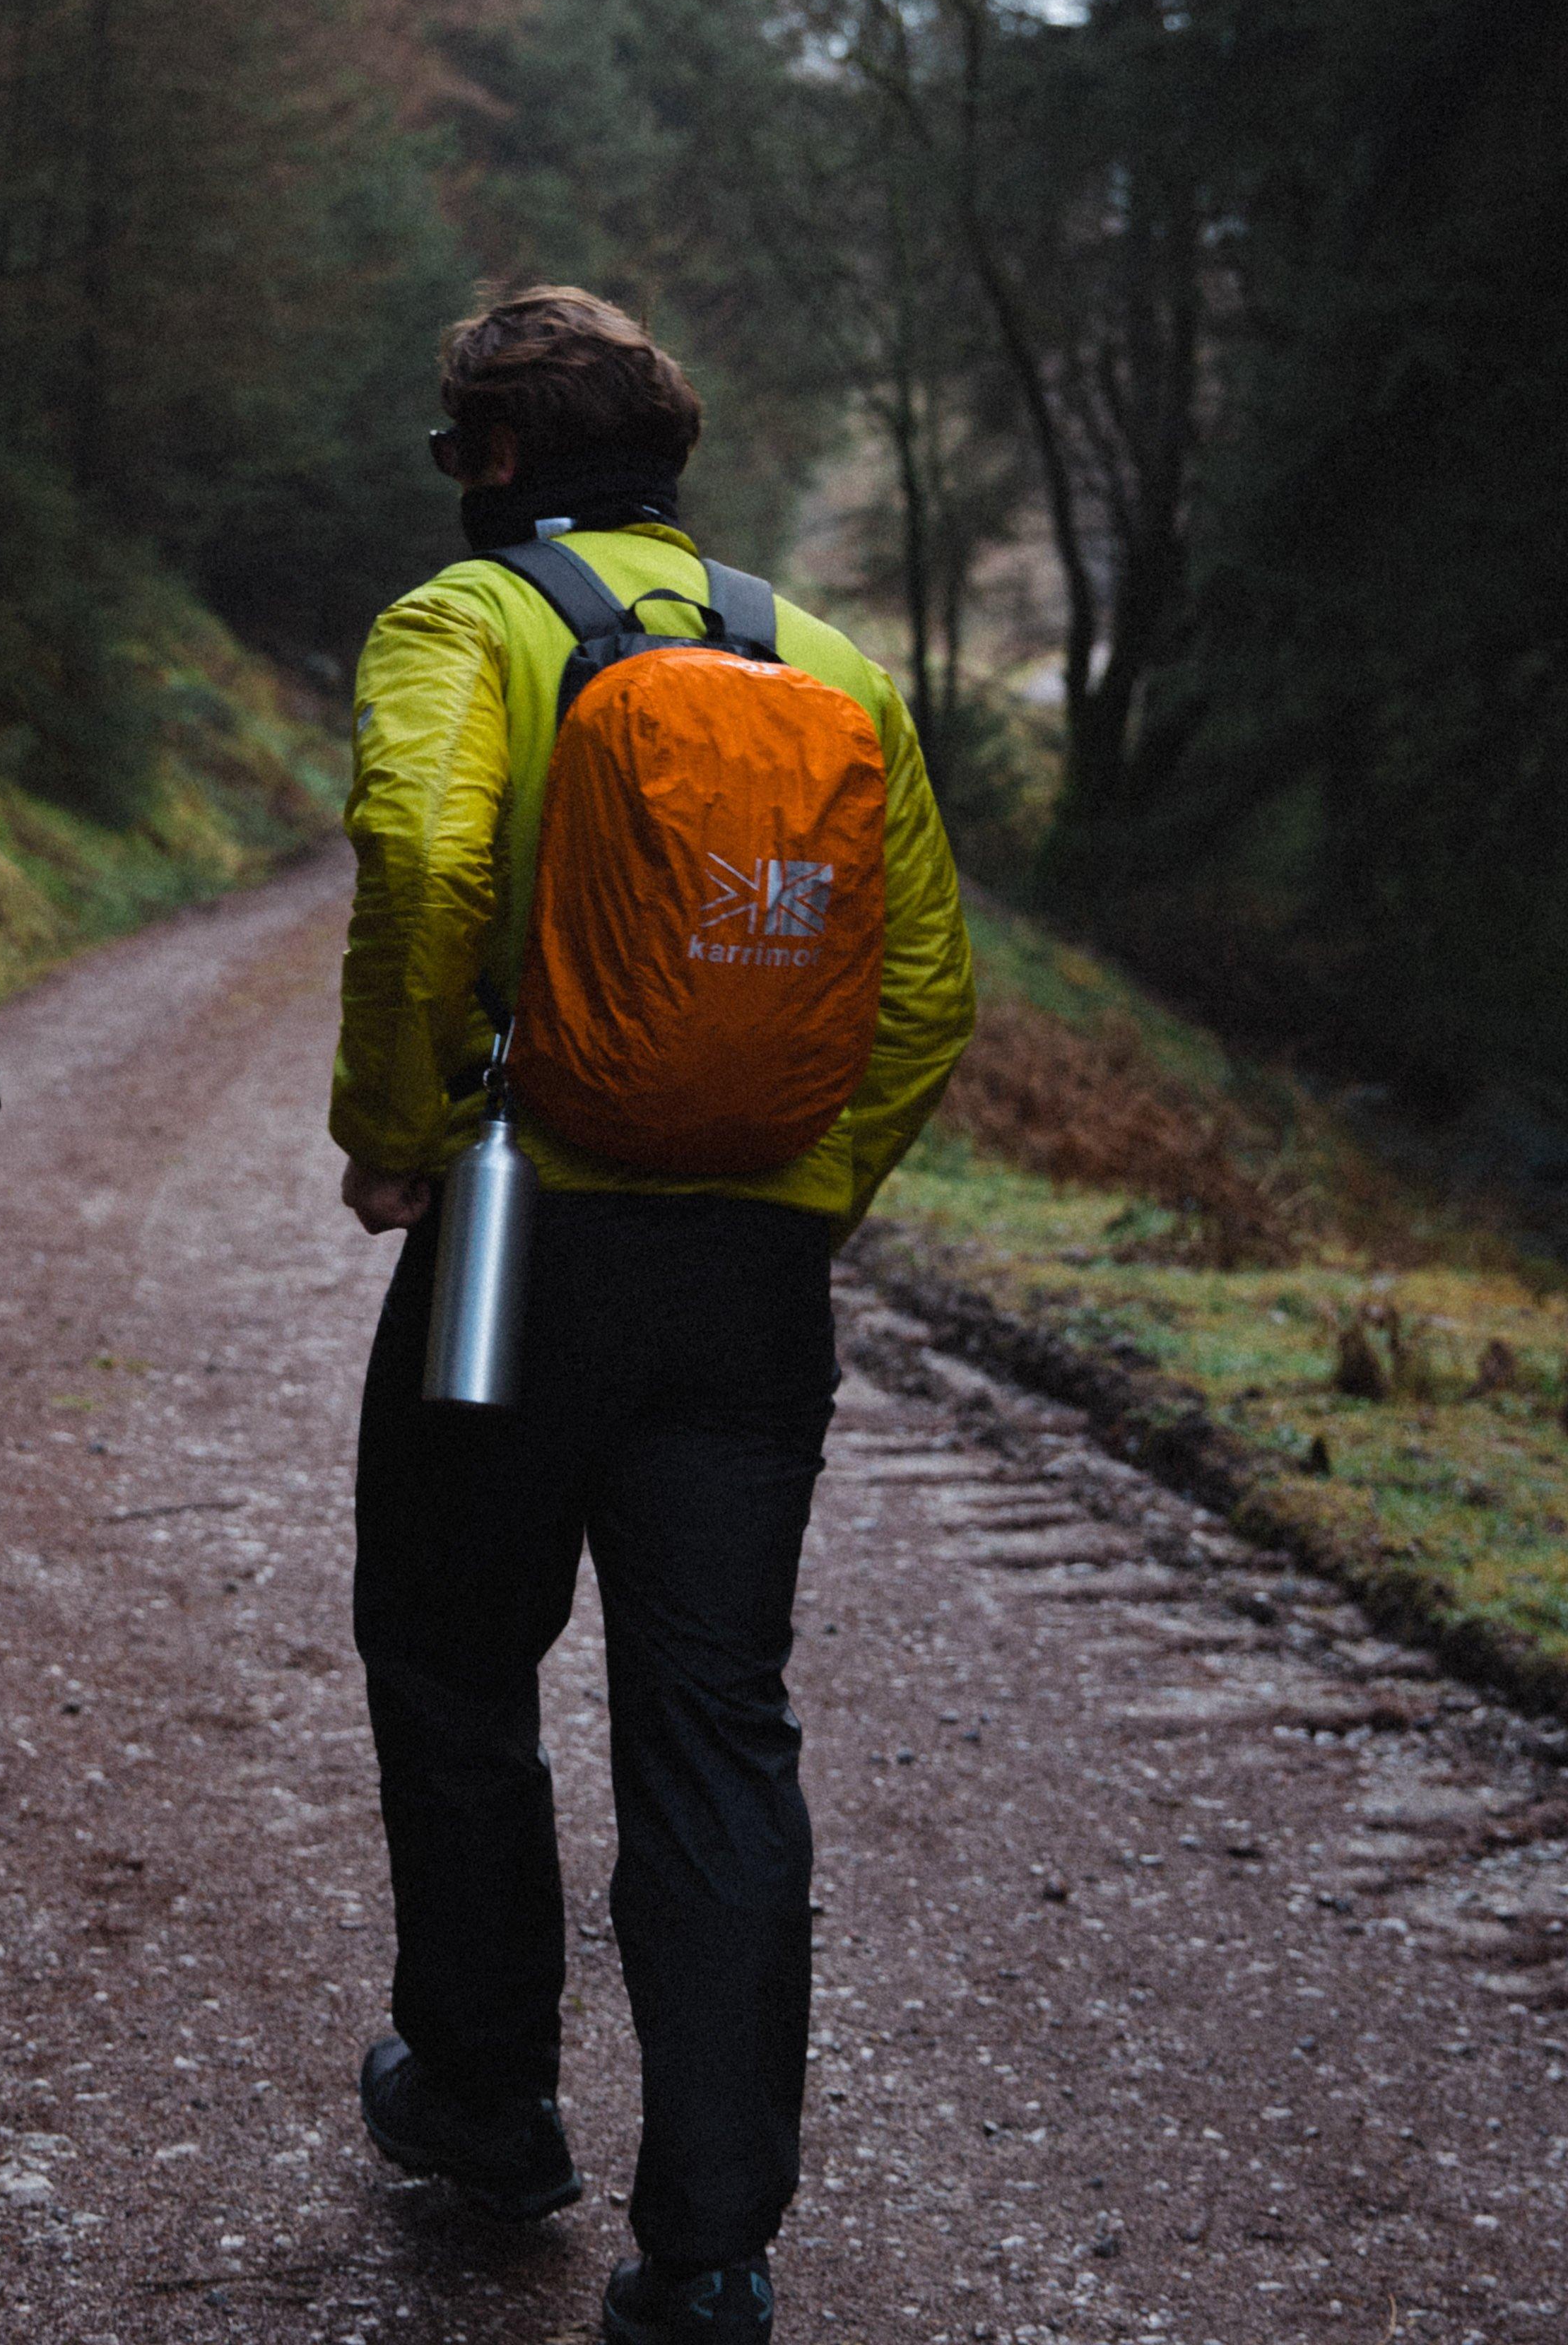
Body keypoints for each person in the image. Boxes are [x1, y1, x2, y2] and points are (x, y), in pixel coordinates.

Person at [327, 286, 976, 2345]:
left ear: (497, 462)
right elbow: (930, 990)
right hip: (749, 1281)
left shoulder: (466, 630)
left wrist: (406, 1126)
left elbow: (429, 867)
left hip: (518, 1237)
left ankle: (492, 2104)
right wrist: (806, 1190)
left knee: (449, 1647)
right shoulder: (836, 663)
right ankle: (707, 2253)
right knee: (715, 1716)